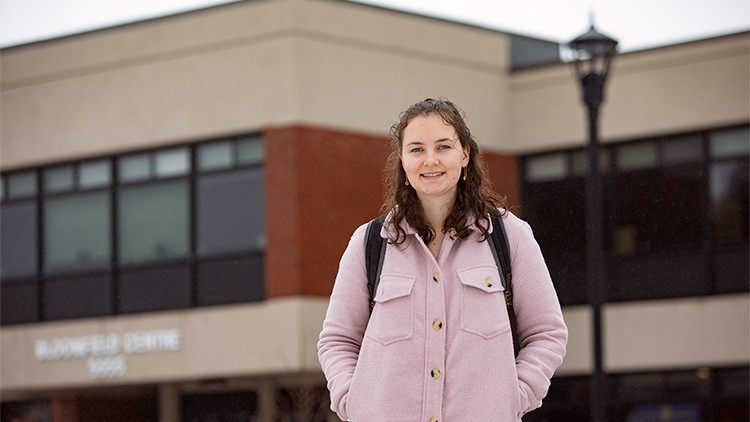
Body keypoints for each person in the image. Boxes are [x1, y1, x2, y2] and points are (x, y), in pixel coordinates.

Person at [317, 98, 568, 421]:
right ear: (403, 160)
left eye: (443, 147)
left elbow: (547, 333)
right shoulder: (370, 243)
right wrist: (352, 399)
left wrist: (514, 396)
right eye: (417, 149)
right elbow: (337, 340)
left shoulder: (510, 237)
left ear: (465, 155)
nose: (430, 160)